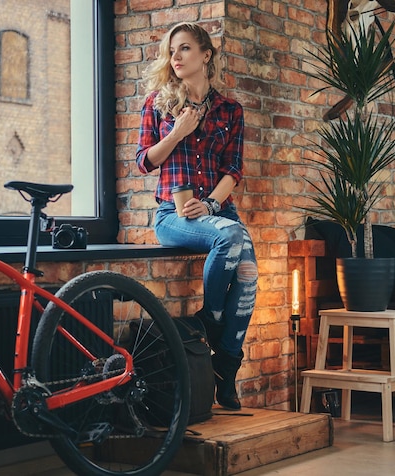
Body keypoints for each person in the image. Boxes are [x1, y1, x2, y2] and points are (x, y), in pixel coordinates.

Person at [135, 22, 258, 410]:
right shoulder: (159, 102)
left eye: (185, 48)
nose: (175, 56)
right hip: (173, 215)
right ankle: (214, 326)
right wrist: (177, 132)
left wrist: (211, 206)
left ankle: (226, 364)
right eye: (172, 50)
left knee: (248, 269)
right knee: (233, 237)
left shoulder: (230, 110)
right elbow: (143, 162)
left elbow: (233, 170)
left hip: (215, 210)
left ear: (206, 55)